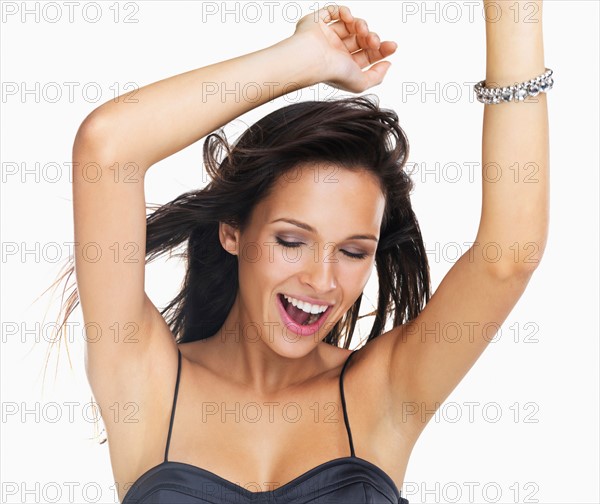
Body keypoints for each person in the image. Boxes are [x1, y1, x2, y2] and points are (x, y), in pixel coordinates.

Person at [51, 3, 549, 503]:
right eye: (292, 241)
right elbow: (107, 148)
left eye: (354, 252)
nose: (322, 280)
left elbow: (509, 257)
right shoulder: (146, 381)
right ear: (232, 231)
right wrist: (306, 58)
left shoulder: (382, 393)